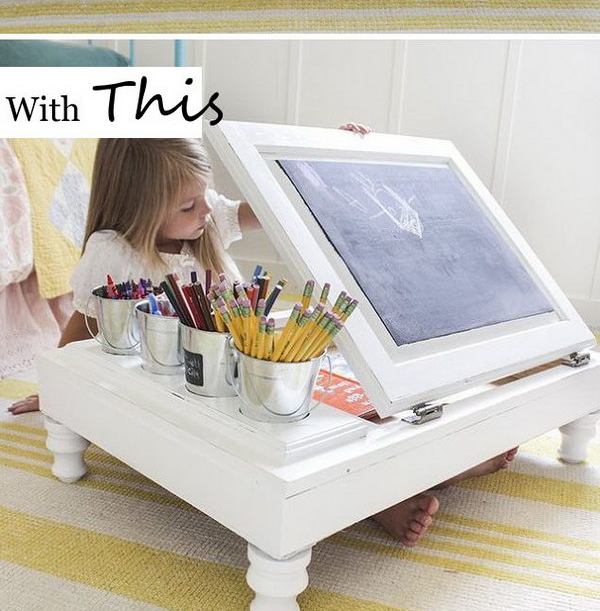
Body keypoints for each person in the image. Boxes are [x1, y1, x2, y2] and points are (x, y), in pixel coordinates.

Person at [8, 132, 517, 546]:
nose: (205, 211)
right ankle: (383, 498)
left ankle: (420, 465)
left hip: (260, 363)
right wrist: (58, 389)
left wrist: (323, 155)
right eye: (189, 205)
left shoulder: (207, 225)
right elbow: (82, 323)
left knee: (354, 405)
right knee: (270, 460)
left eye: (206, 197)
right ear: (139, 205)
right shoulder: (112, 252)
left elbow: (279, 199)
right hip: (196, 394)